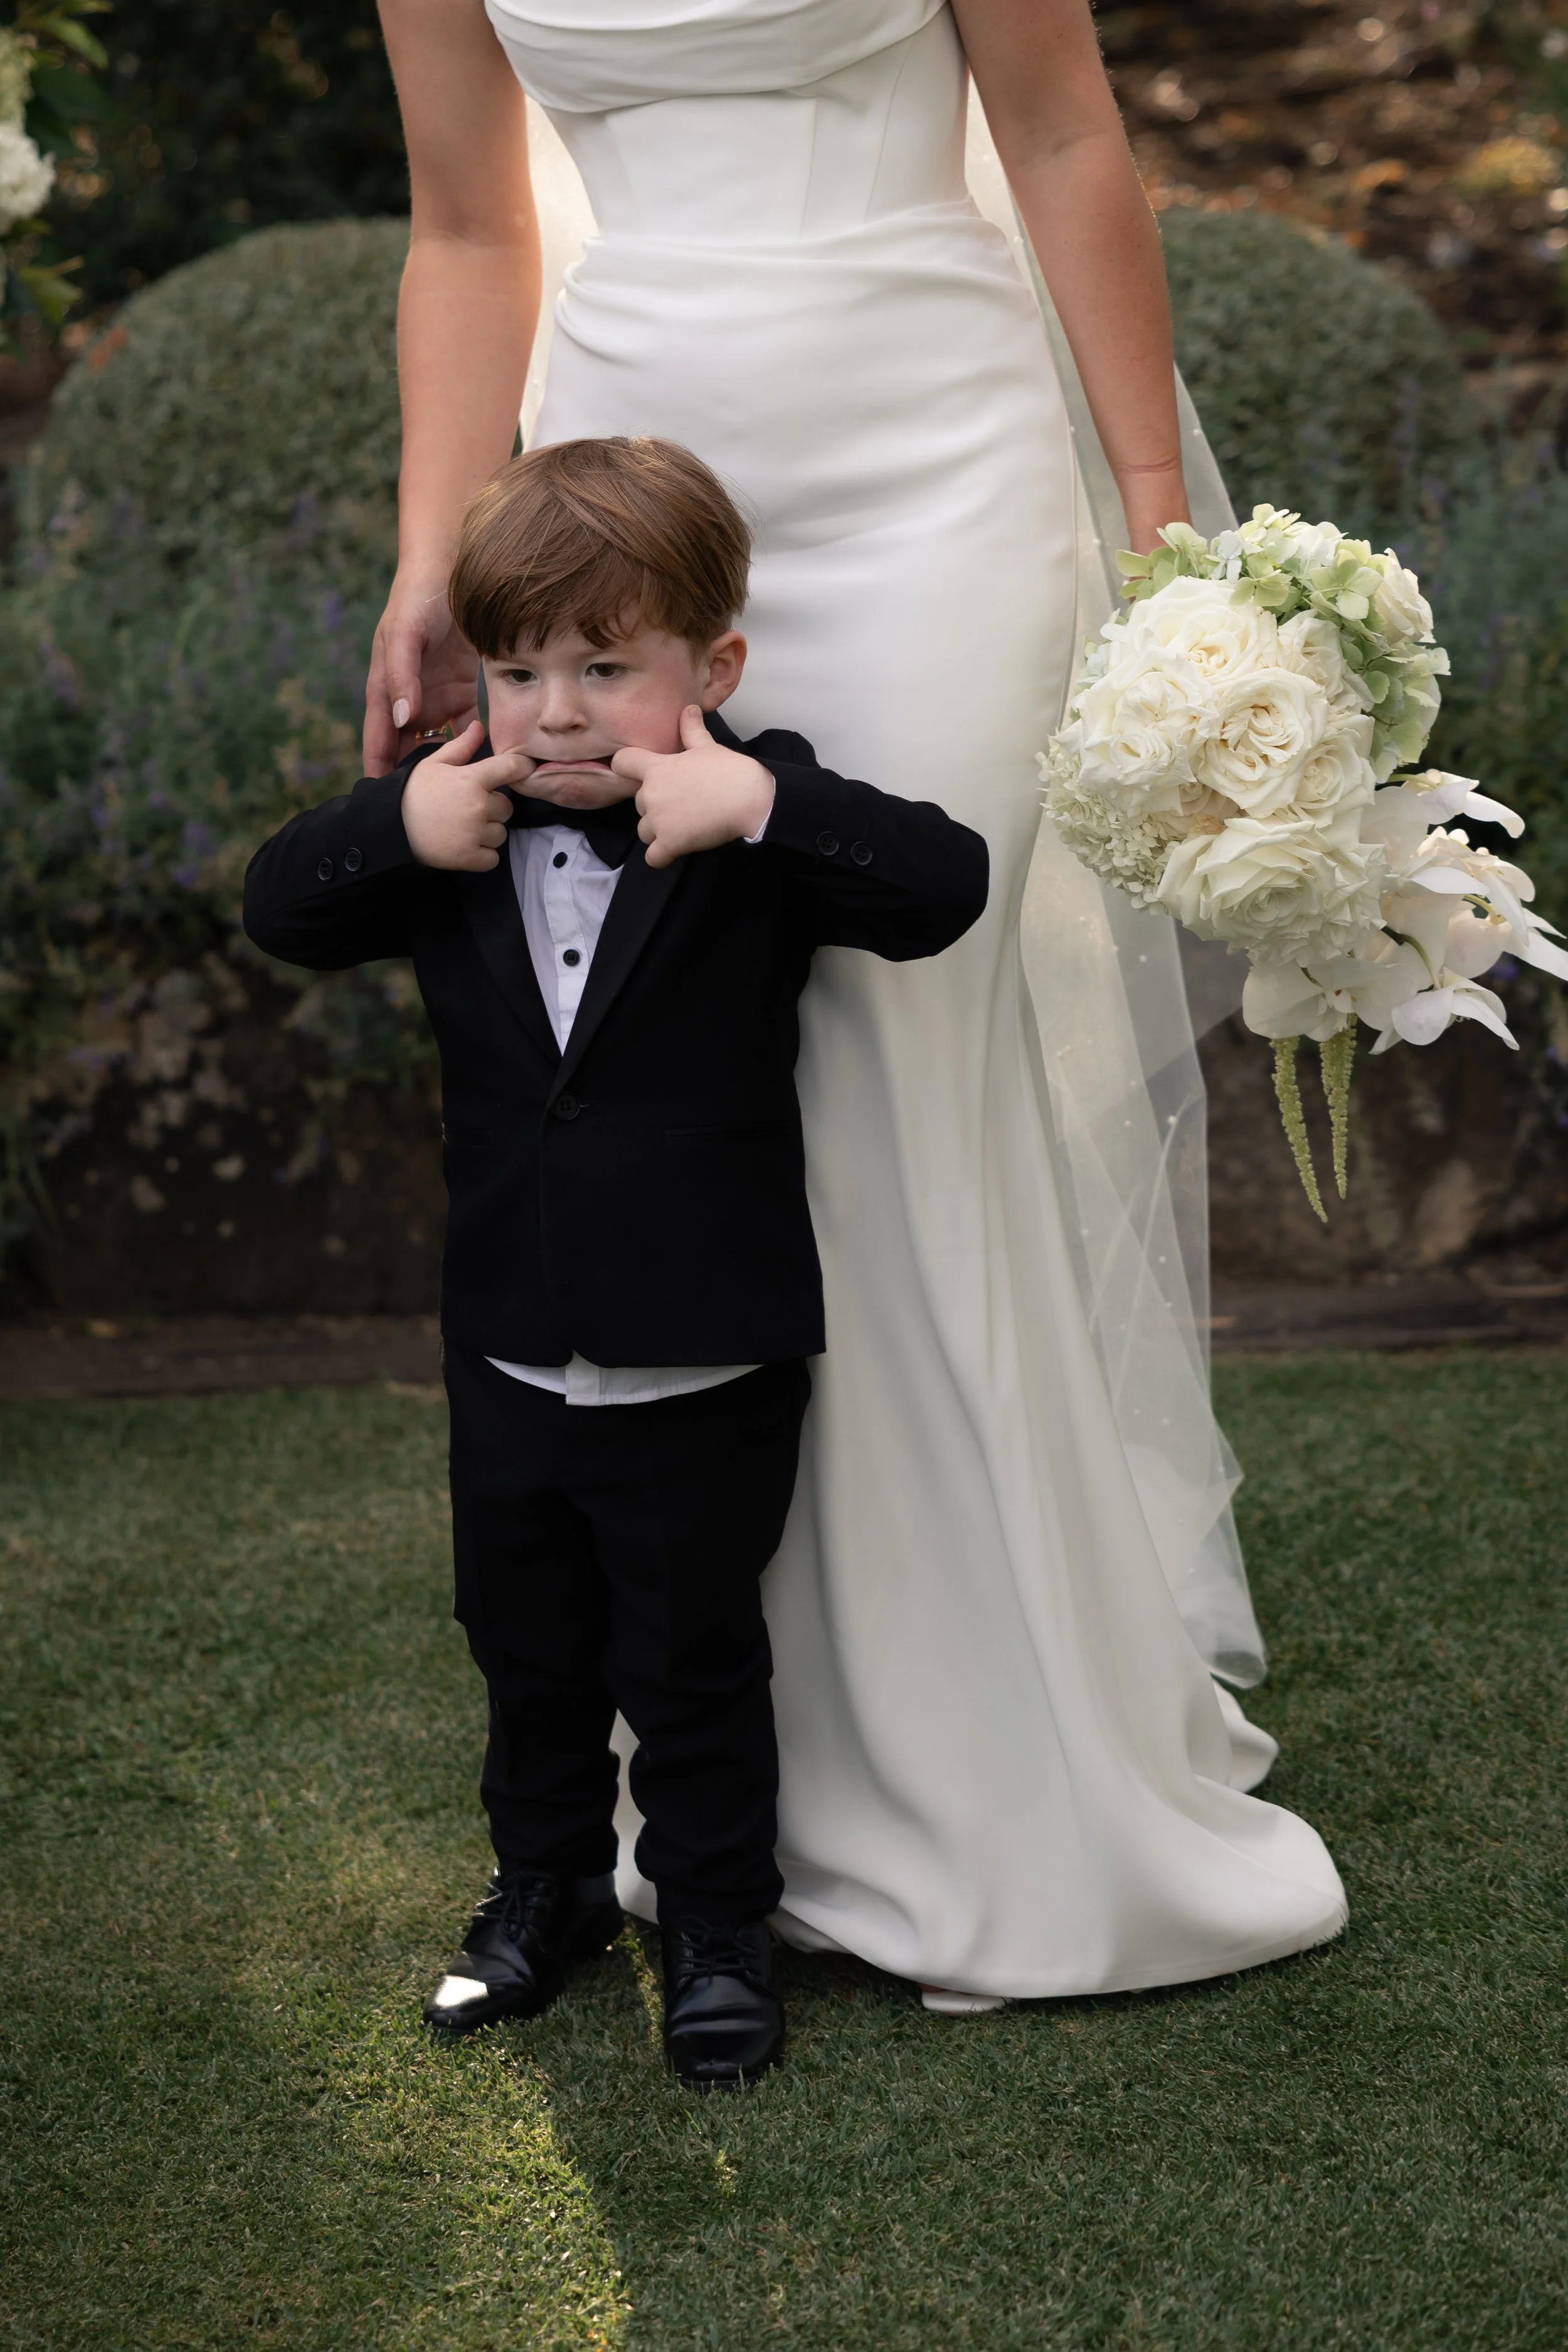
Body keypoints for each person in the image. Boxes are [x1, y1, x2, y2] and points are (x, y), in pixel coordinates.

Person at [363, 0, 1349, 2005]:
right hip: (622, 475)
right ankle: (736, 1784)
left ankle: (999, 1763)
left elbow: (1061, 133)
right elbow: (471, 226)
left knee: (901, 1049)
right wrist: (432, 560)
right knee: (680, 1068)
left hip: (935, 472)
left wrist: (1152, 501)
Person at [243, 435, 990, 2084]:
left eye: (603, 667)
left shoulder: (746, 820)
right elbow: (277, 902)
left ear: (708, 669)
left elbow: (947, 885)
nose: (559, 710)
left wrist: (768, 802)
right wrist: (395, 821)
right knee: (525, 1648)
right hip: (508, 1341)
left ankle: (716, 1920)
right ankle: (546, 1886)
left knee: (692, 1655)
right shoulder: (453, 823)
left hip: (702, 1350)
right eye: (519, 671)